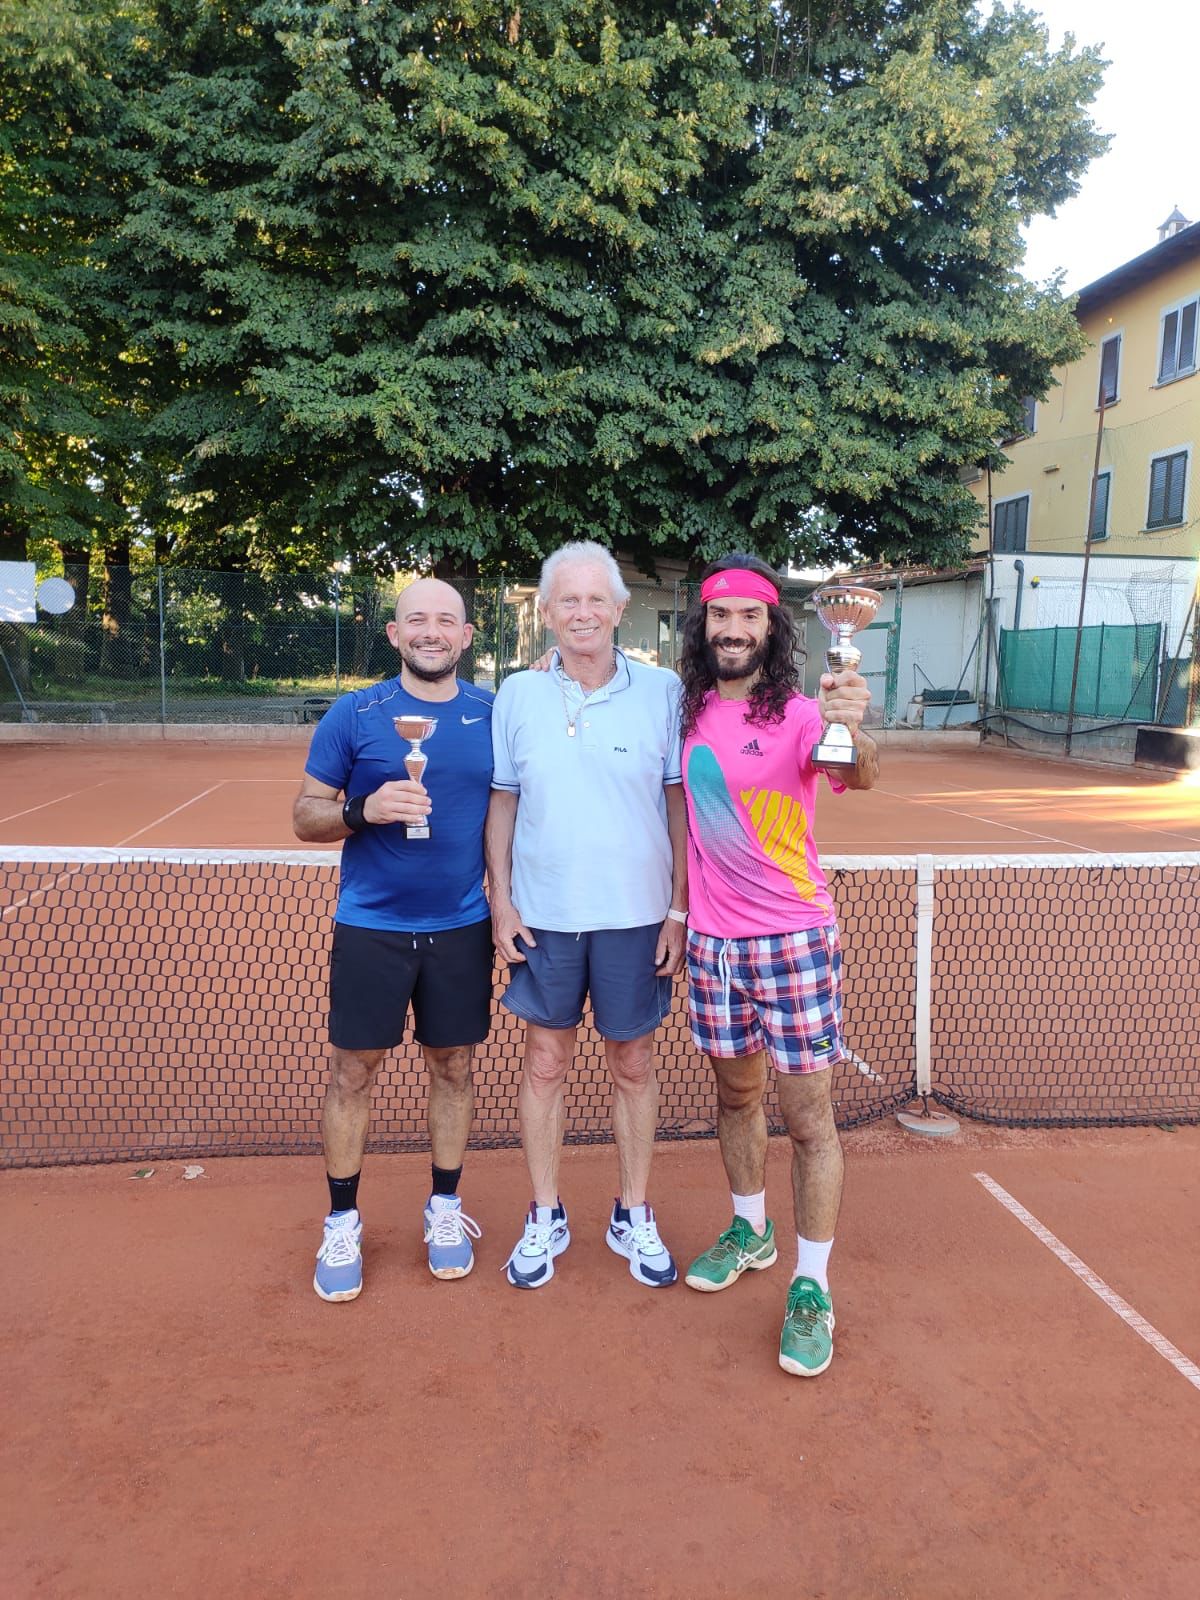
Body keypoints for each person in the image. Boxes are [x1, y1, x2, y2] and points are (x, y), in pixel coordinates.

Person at [676, 553, 877, 1376]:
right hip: (711, 945)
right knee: (734, 1096)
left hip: (792, 940)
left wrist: (855, 727)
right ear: (704, 626)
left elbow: (855, 774)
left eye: (748, 616)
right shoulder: (681, 711)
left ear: (771, 626)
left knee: (808, 1118)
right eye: (720, 616)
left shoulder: (800, 712)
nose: (732, 629)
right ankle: (751, 1229)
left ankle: (811, 1286)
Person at [486, 541, 688, 1289]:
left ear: (619, 609)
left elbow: (678, 802)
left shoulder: (663, 690)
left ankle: (632, 1211)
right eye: (566, 600)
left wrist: (677, 909)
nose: (581, 613)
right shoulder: (517, 693)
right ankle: (545, 1214)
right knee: (545, 1062)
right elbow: (502, 799)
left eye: (594, 600)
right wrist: (501, 900)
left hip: (638, 917)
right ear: (545, 611)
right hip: (544, 915)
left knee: (633, 1063)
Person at [293, 577, 494, 1302]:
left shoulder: (496, 715)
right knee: (353, 1074)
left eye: (446, 620)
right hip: (371, 929)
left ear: (467, 635)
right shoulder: (355, 714)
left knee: (454, 1069)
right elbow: (305, 815)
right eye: (418, 620)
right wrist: (363, 807)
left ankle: (444, 1207)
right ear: (394, 633)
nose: (432, 631)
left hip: (463, 928)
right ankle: (342, 1221)